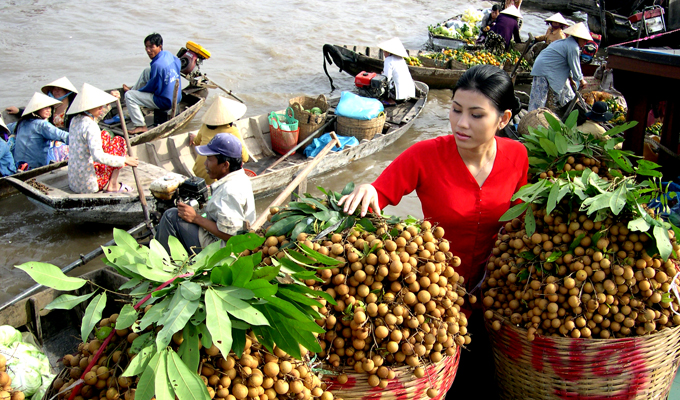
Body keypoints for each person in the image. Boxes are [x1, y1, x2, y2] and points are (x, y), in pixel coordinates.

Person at [338, 65, 528, 398]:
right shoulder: (424, 155)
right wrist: (367, 189)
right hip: (434, 301)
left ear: (504, 119)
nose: (461, 123)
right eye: (455, 110)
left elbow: (522, 218)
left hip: (495, 296)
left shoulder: (517, 155)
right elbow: (380, 194)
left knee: (488, 380)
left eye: (476, 114)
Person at [155, 133, 256, 254]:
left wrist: (195, 218)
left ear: (225, 165)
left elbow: (232, 236)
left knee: (170, 216)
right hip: (232, 240)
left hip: (224, 249)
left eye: (209, 159)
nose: (205, 164)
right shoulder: (241, 177)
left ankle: (163, 261)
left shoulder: (228, 192)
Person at [66, 83, 139, 193]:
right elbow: (98, 157)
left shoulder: (75, 120)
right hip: (89, 185)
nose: (101, 107)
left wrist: (110, 102)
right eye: (98, 105)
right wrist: (125, 160)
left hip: (74, 181)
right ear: (88, 108)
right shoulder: (91, 126)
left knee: (104, 135)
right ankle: (113, 185)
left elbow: (97, 116)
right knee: (119, 141)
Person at [123, 33, 182, 134]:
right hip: (177, 96)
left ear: (160, 46)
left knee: (128, 95)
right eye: (146, 47)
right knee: (147, 71)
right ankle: (134, 92)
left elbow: (152, 87)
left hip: (165, 101)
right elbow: (179, 64)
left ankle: (140, 125)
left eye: (151, 47)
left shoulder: (158, 65)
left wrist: (139, 93)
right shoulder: (167, 54)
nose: (148, 50)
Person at [528, 22, 593, 112]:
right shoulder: (573, 46)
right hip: (543, 68)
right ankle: (532, 118)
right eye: (584, 41)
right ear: (579, 38)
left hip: (551, 68)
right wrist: (581, 80)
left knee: (567, 95)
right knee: (538, 99)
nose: (585, 43)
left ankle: (568, 111)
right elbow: (575, 66)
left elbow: (569, 64)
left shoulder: (568, 43)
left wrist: (571, 79)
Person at [190, 96, 249, 185]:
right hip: (215, 176)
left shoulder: (204, 127)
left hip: (198, 172)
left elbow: (197, 142)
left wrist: (192, 137)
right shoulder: (232, 130)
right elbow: (245, 157)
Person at [8, 92, 70, 170]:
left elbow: (7, 128)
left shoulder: (22, 122)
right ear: (37, 109)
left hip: (18, 165)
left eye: (49, 107)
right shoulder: (42, 125)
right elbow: (63, 136)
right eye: (45, 108)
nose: (48, 110)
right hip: (34, 167)